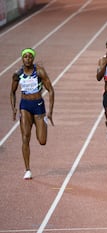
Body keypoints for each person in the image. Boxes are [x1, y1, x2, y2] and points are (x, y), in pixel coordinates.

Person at [10, 48, 55, 180]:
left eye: (30, 57)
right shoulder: (17, 74)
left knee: (42, 141)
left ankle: (43, 123)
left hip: (38, 106)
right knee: (25, 137)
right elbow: (12, 92)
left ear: (33, 59)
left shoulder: (39, 71)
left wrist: (50, 111)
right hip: (25, 106)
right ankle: (27, 169)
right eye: (25, 57)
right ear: (22, 59)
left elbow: (51, 90)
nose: (28, 59)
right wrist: (13, 108)